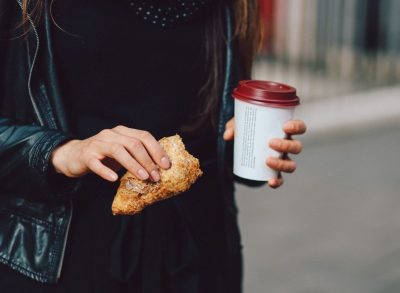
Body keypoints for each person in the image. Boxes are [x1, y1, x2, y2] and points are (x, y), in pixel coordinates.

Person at [0, 0, 306, 292]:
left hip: (199, 253)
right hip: (63, 254)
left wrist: (249, 147)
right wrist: (60, 152)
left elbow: (213, 129)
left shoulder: (232, 5)